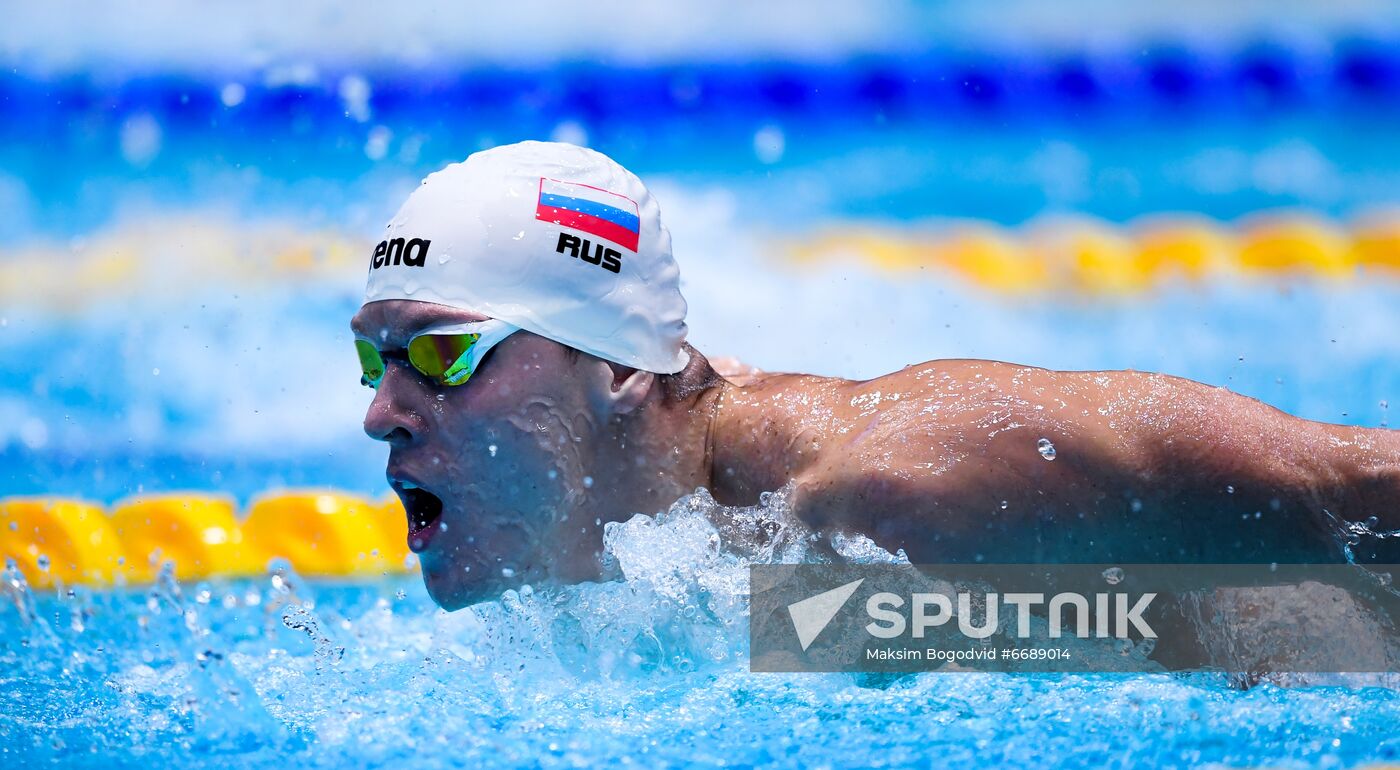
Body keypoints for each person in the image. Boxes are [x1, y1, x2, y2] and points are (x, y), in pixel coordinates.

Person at [351, 141, 1400, 611]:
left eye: (444, 355)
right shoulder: (637, 551)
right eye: (376, 357)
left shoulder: (898, 494)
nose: (379, 413)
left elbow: (1345, 488)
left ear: (619, 369)